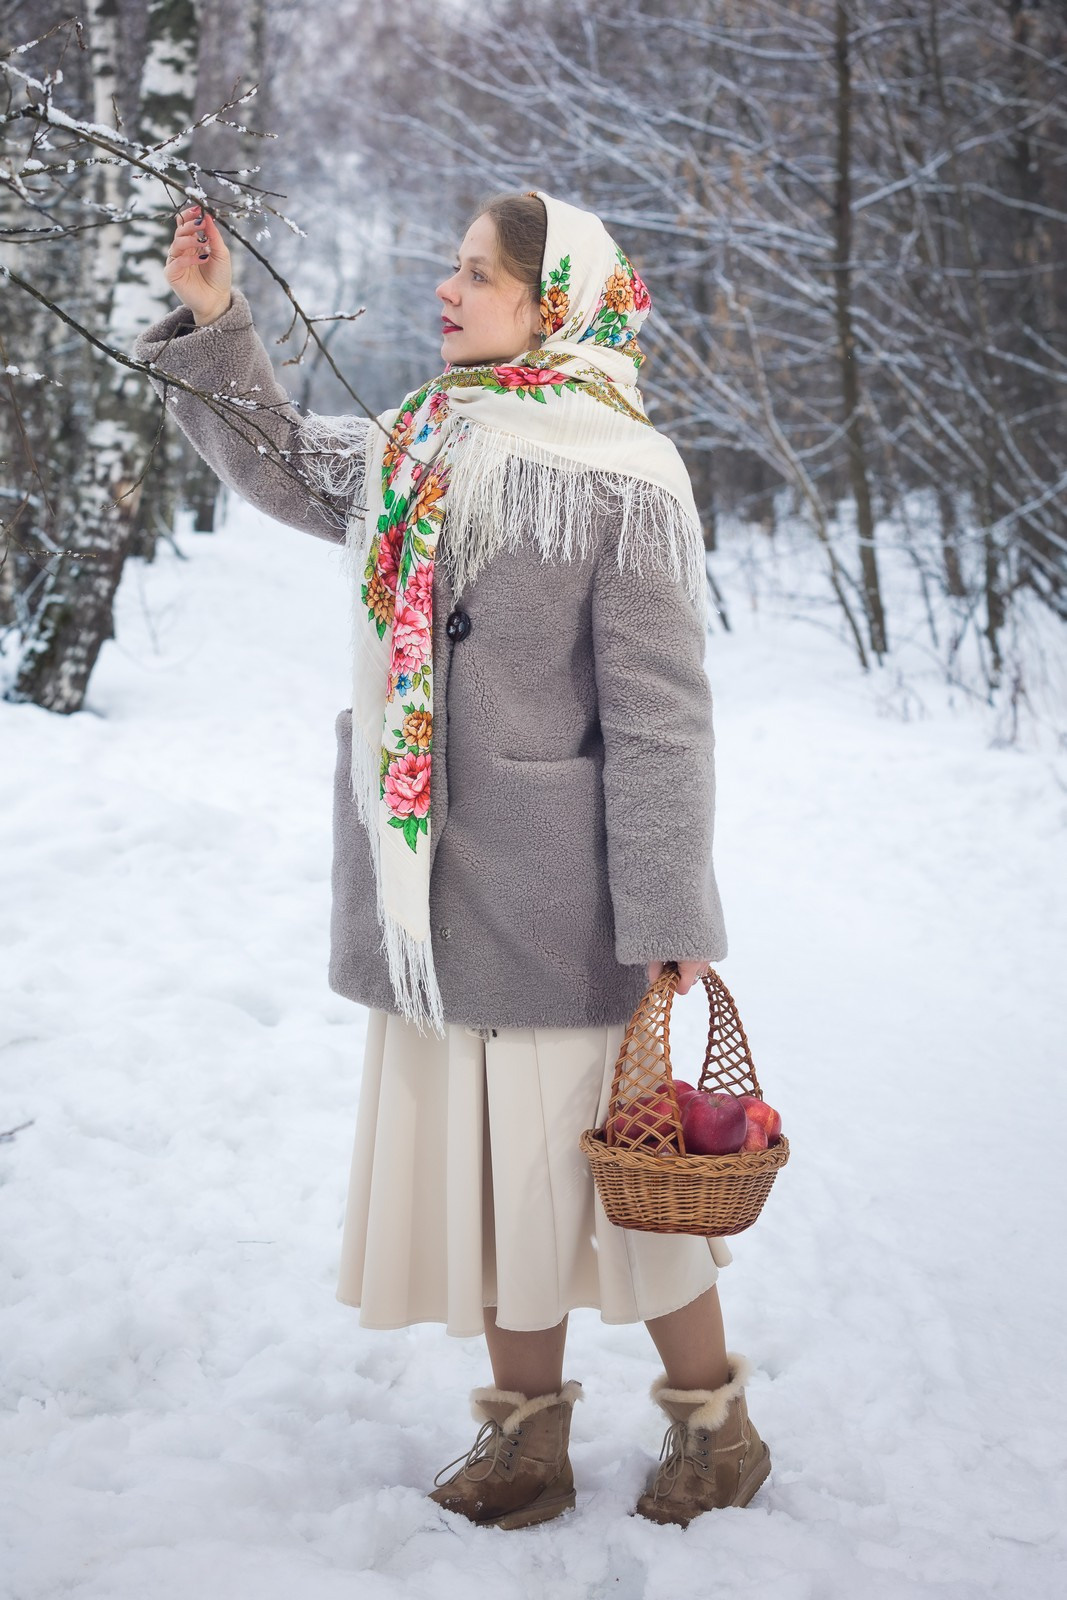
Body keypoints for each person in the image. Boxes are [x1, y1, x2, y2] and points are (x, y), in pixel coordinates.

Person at [132, 190, 771, 1530]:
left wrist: (667, 912)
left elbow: (661, 714)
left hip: (559, 901)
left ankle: (716, 1430)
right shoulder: (416, 440)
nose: (448, 286)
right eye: (454, 264)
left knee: (618, 1184)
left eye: (477, 273)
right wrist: (217, 320)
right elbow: (282, 462)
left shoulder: (627, 470)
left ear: (554, 302)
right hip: (427, 887)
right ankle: (524, 1441)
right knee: (494, 1186)